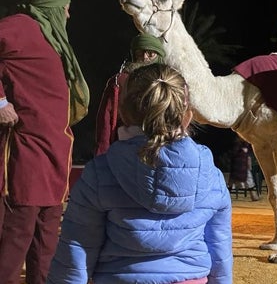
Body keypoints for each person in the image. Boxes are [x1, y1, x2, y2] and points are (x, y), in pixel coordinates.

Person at [47, 63, 233, 283]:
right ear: (187, 116)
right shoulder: (211, 175)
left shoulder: (100, 173)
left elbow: (76, 249)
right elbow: (219, 249)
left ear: (124, 113)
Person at [0, 0, 90, 284]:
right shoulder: (19, 26)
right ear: (49, 7)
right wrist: (0, 102)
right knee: (16, 235)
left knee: (47, 242)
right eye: (65, 8)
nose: (68, 16)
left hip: (56, 150)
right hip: (27, 151)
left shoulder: (50, 37)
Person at [94, 33, 166, 156]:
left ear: (158, 55)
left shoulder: (168, 83)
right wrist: (102, 154)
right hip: (124, 147)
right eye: (140, 52)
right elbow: (105, 119)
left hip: (160, 149)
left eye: (150, 53)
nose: (144, 57)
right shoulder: (121, 81)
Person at [228, 136, 260, 201]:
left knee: (249, 180)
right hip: (237, 165)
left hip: (244, 166)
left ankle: (254, 196)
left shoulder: (246, 144)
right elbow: (234, 154)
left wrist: (249, 163)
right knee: (231, 182)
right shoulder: (236, 145)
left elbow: (248, 155)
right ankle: (226, 197)